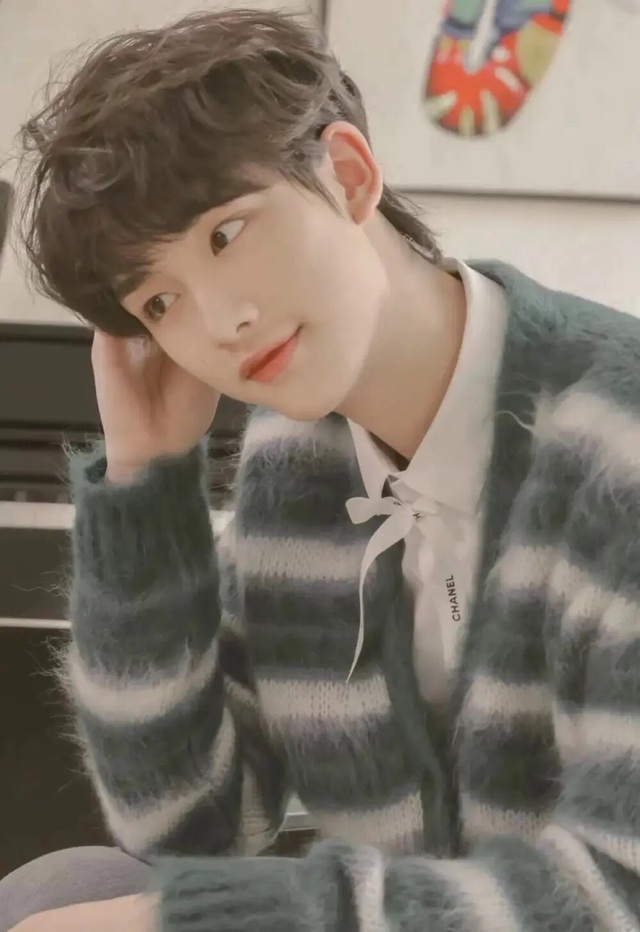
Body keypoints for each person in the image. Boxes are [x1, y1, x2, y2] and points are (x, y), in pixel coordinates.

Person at [5, 6, 640, 931]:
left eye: (227, 234)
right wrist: (147, 487)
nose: (220, 323)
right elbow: (189, 829)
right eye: (161, 301)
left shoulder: (618, 442)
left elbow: (619, 891)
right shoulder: (296, 468)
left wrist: (202, 922)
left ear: (347, 175)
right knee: (62, 890)